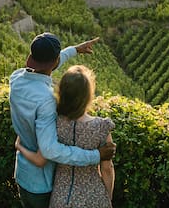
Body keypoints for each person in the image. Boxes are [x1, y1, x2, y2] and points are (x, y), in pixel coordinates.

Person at [9, 32, 116, 208]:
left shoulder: (16, 78)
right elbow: (50, 150)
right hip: (41, 183)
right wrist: (96, 155)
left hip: (22, 173)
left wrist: (74, 50)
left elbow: (44, 68)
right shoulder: (47, 101)